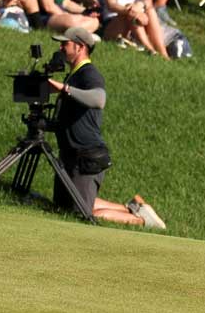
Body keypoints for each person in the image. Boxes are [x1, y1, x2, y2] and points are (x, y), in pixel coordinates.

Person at [44, 25, 164, 228]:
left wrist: (64, 89)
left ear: (80, 47)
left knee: (83, 212)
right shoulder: (74, 74)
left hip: (86, 156)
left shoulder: (89, 73)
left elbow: (99, 99)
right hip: (71, 155)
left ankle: (142, 220)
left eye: (65, 43)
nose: (61, 48)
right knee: (63, 207)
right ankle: (133, 207)